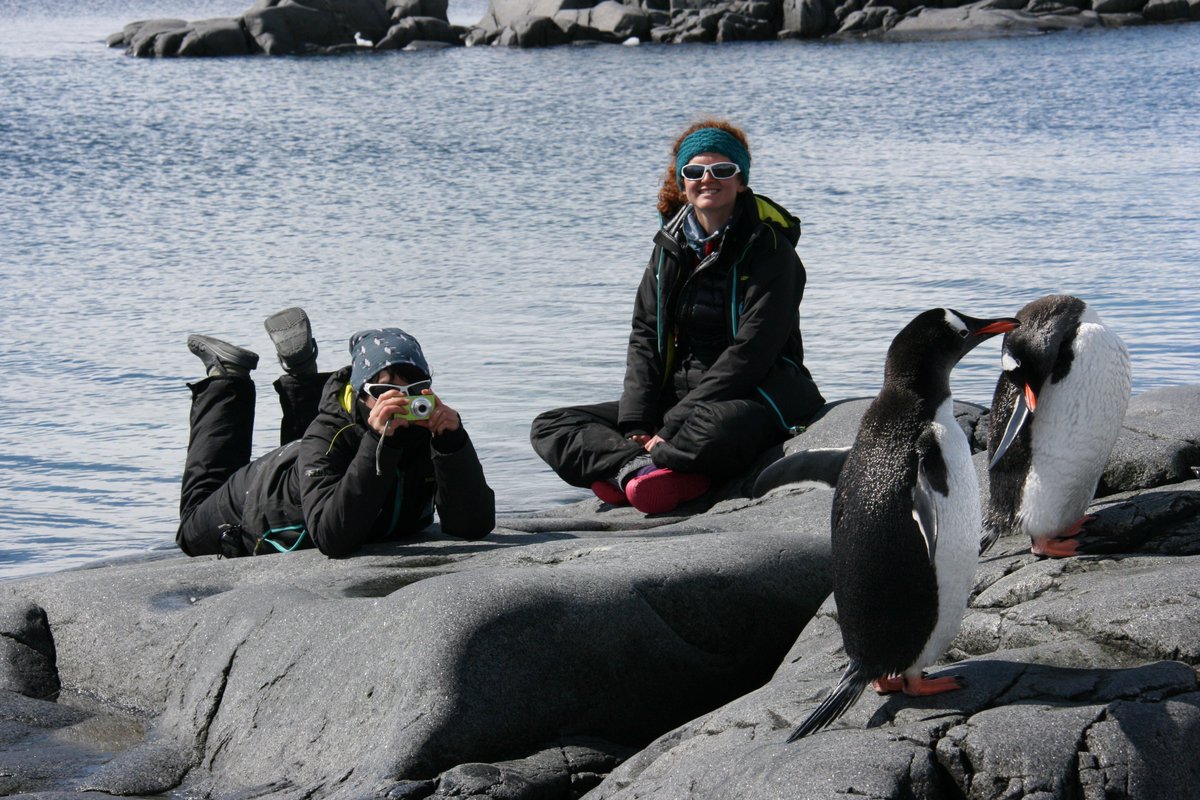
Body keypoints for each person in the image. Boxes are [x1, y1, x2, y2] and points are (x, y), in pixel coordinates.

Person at [530, 119, 825, 515]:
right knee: (552, 425)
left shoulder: (773, 251)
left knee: (715, 428)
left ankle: (639, 470)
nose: (708, 179)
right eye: (695, 171)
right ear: (683, 181)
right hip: (679, 397)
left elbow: (752, 352)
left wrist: (671, 427)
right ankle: (643, 471)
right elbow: (645, 336)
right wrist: (636, 424)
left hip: (753, 394)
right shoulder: (669, 246)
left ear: (741, 181)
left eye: (722, 170)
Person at [177, 307, 495, 558]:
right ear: (359, 393)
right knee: (191, 525)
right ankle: (227, 377)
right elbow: (333, 539)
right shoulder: (327, 435)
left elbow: (472, 527)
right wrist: (379, 442)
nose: (399, 402)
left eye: (413, 389)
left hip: (312, 469)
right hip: (258, 496)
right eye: (383, 391)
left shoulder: (428, 430)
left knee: (329, 448)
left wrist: (453, 446)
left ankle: (301, 371)